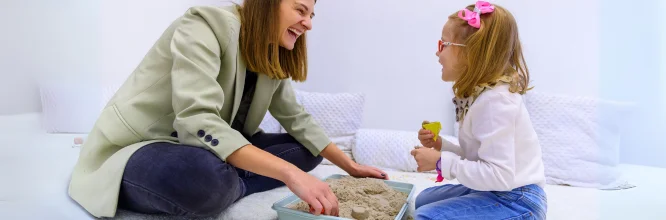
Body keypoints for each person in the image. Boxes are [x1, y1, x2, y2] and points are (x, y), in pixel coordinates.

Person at [67, 0, 388, 218]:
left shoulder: (271, 53)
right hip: (147, 146)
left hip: (211, 147)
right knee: (206, 179)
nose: (308, 24)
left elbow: (296, 118)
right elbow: (196, 118)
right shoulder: (204, 24)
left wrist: (349, 165)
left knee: (310, 150)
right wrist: (289, 174)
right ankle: (230, 180)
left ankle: (232, 179)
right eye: (301, 10)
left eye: (312, 15)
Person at [410, 1, 547, 219]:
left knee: (426, 216)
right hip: (493, 190)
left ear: (470, 54)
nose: (438, 53)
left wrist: (440, 161)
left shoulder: (496, 102)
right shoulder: (481, 96)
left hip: (517, 201)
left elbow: (499, 175)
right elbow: (478, 160)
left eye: (443, 44)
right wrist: (441, 147)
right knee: (422, 200)